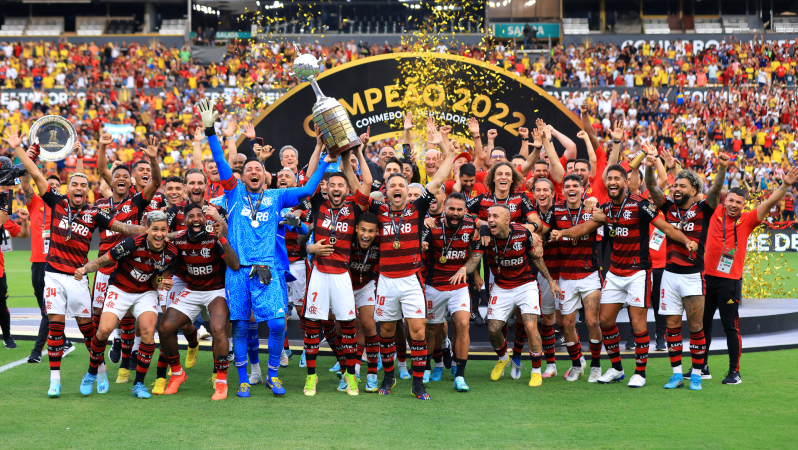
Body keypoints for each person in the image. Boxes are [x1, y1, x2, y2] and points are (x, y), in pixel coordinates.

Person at [197, 99, 329, 398]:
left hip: (267, 270)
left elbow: (308, 191)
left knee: (277, 325)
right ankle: (243, 378)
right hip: (238, 271)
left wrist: (323, 162)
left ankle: (272, 375)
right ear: (242, 176)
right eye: (249, 169)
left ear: (265, 175)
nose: (254, 171)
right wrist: (209, 131)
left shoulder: (277, 196)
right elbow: (219, 160)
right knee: (241, 327)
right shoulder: (232, 192)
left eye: (258, 168)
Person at [10, 129, 147, 398]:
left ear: (88, 191)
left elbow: (120, 225)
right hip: (53, 275)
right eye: (75, 184)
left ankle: (100, 370)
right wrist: (18, 149)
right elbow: (36, 175)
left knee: (89, 331)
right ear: (68, 187)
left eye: (84, 185)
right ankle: (55, 380)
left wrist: (147, 230)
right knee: (56, 329)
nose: (79, 188)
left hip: (77, 278)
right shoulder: (56, 202)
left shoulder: (95, 213)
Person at [353, 121, 456, 400]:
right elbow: (359, 184)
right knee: (386, 331)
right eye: (392, 185)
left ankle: (418, 384)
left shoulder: (418, 206)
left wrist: (449, 152)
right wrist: (356, 152)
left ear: (407, 188)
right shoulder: (377, 208)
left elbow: (438, 179)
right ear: (385, 191)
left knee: (418, 331)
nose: (397, 188)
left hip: (411, 279)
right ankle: (388, 378)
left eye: (401, 184)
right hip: (385, 279)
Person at [703, 166, 798, 385]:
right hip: (707, 279)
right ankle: (701, 366)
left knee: (730, 327)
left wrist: (784, 185)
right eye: (731, 201)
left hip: (729, 283)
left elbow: (769, 203)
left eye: (738, 202)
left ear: (743, 205)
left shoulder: (747, 220)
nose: (734, 205)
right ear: (725, 201)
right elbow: (713, 190)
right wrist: (721, 169)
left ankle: (734, 372)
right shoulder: (714, 211)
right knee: (703, 325)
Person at [645, 150, 730, 391]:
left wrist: (722, 168)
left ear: (694, 191)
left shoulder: (704, 208)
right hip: (669, 276)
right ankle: (675, 375)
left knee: (695, 328)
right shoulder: (668, 206)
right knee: (672, 327)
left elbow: (714, 191)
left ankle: (695, 374)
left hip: (693, 275)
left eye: (682, 185)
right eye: (675, 185)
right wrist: (651, 166)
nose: (676, 188)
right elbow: (651, 186)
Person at [75, 211, 178, 399]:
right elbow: (104, 260)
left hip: (145, 292)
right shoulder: (132, 243)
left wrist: (164, 280)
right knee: (104, 330)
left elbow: (157, 280)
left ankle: (139, 384)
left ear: (167, 231)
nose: (159, 234)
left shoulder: (171, 252)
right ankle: (91, 373)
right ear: (147, 229)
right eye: (155, 229)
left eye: (163, 230)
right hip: (120, 289)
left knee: (147, 331)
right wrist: (84, 269)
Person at [302, 130, 371, 397]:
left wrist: (355, 154)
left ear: (345, 189)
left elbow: (366, 184)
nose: (336, 188)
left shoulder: (354, 208)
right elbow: (309, 179)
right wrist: (319, 146)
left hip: (342, 273)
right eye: (332, 185)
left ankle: (350, 376)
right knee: (312, 325)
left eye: (341, 185)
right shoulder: (317, 201)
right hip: (319, 272)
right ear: (327, 188)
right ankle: (311, 378)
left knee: (347, 326)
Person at [461, 204, 560, 387]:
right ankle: (502, 358)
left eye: (495, 216)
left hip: (526, 285)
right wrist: (464, 269)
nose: (490, 219)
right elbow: (474, 259)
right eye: (489, 216)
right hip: (501, 286)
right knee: (493, 329)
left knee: (531, 326)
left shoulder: (523, 233)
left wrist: (551, 280)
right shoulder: (485, 236)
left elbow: (536, 258)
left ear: (508, 220)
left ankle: (537, 371)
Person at [157, 203, 240, 400]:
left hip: (216, 291)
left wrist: (222, 239)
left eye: (199, 216)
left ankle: (221, 382)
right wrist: (162, 282)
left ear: (204, 219)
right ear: (185, 221)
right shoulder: (179, 241)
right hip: (192, 290)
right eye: (191, 216)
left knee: (218, 328)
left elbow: (235, 265)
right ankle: (177, 374)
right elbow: (166, 271)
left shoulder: (214, 237)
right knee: (164, 328)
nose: (196, 219)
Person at [424, 192, 476, 392]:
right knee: (431, 329)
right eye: (452, 209)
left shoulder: (471, 225)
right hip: (434, 285)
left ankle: (460, 374)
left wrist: (467, 269)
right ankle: (427, 366)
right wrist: (423, 240)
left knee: (463, 324)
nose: (455, 213)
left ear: (465, 211)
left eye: (459, 210)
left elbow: (476, 251)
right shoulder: (431, 225)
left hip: (459, 285)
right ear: (444, 207)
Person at [348, 213, 381, 392]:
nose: (366, 235)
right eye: (362, 230)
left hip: (366, 285)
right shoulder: (347, 239)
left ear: (377, 232)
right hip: (345, 284)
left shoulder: (381, 242)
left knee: (368, 325)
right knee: (347, 327)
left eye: (371, 231)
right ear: (356, 229)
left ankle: (372, 374)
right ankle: (352, 370)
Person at [0, 183, 30, 348]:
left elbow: (23, 234)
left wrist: (24, 222)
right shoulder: (3, 218)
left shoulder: (5, 220)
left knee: (2, 305)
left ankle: (7, 336)